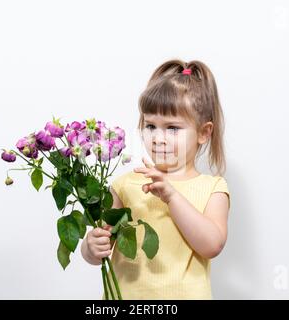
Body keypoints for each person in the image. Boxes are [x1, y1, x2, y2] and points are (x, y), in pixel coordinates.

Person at [81, 59, 230, 299]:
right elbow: (102, 245)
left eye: (172, 128)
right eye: (150, 126)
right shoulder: (125, 185)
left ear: (204, 132)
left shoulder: (213, 188)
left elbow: (212, 245)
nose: (158, 138)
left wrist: (171, 196)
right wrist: (90, 248)